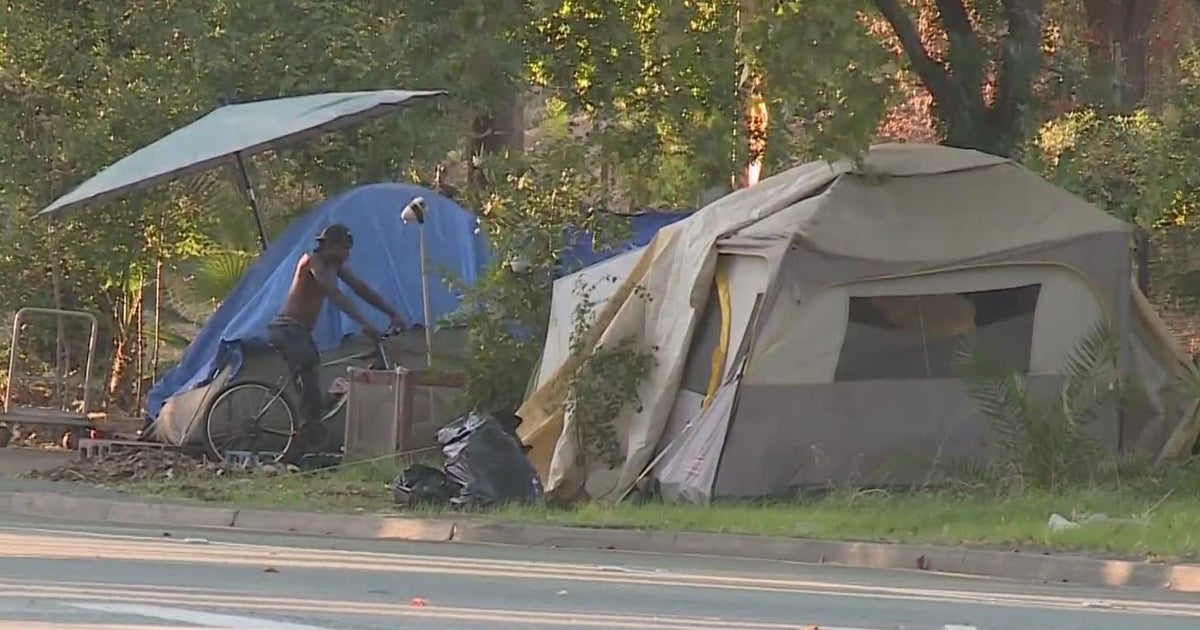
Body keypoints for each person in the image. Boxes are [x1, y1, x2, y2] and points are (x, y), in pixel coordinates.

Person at [267, 223, 408, 456]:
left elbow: (361, 289)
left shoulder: (334, 267)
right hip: (288, 330)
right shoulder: (312, 262)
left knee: (312, 374)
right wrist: (364, 323)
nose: (347, 255)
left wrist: (392, 312)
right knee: (309, 367)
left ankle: (313, 422)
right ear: (331, 246)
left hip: (300, 332)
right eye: (345, 249)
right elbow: (334, 293)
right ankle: (306, 431)